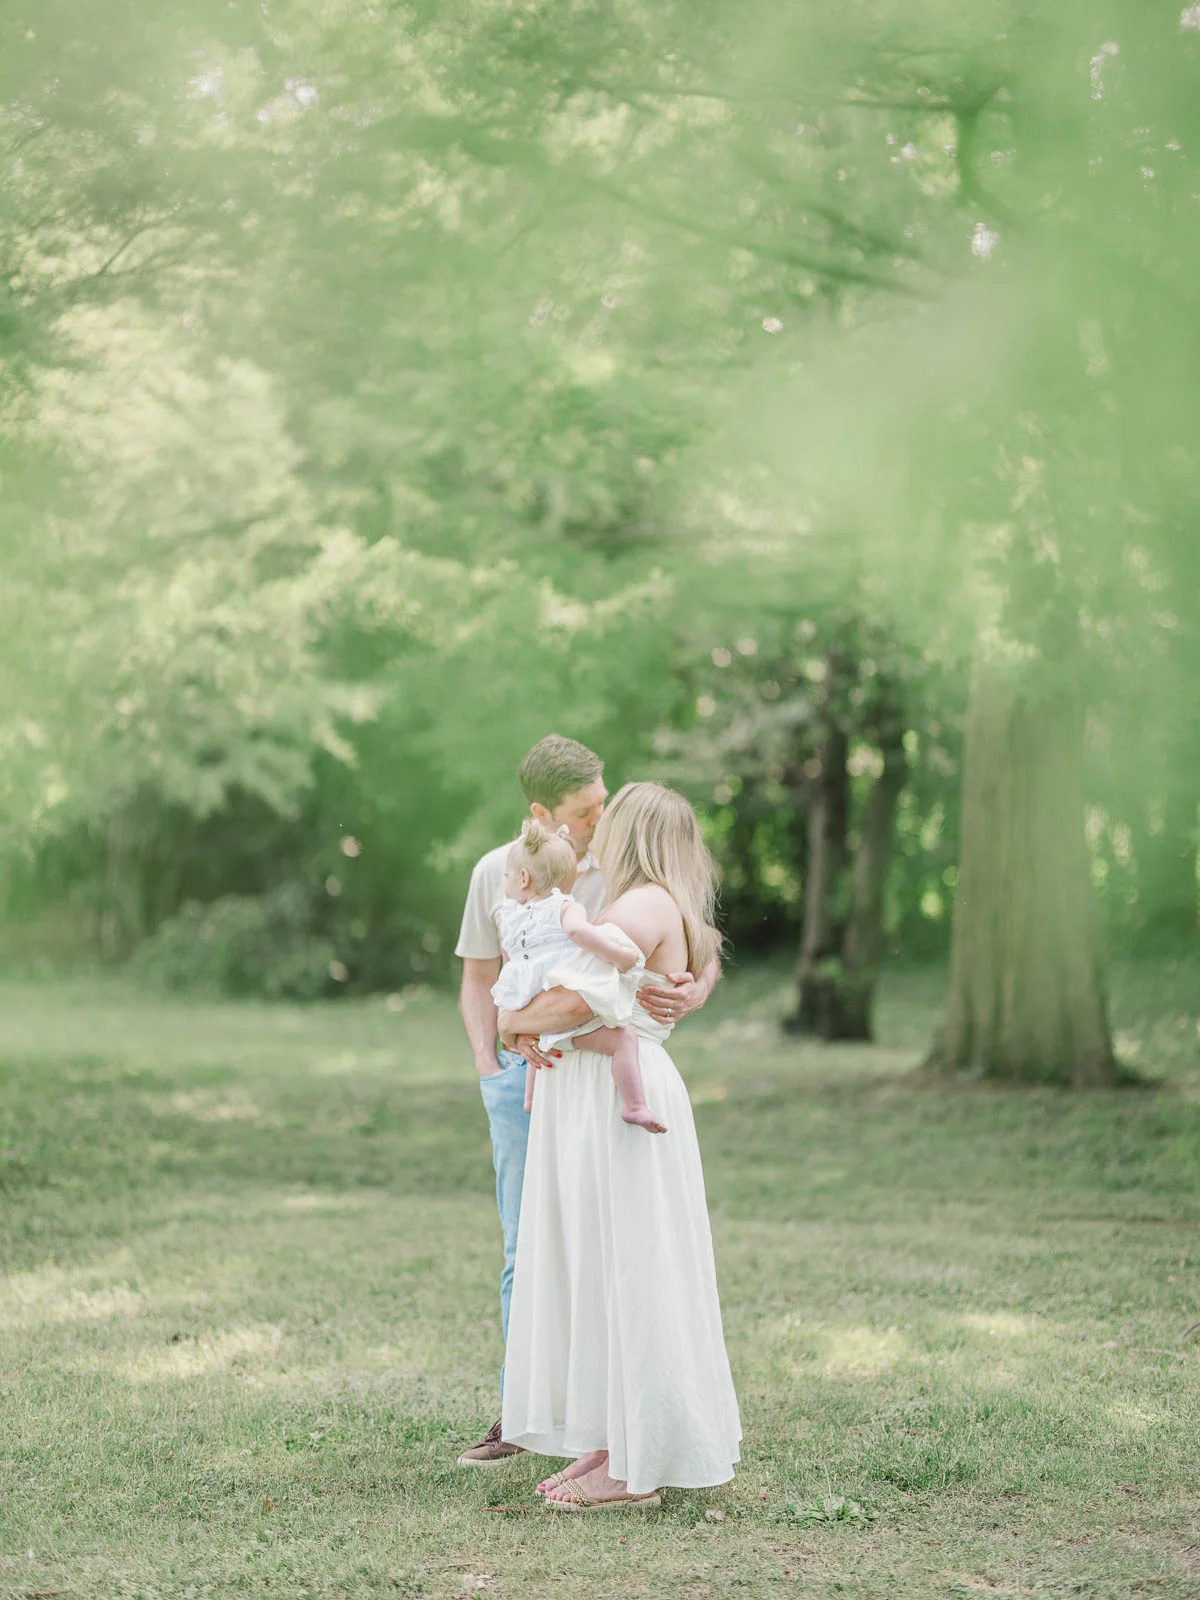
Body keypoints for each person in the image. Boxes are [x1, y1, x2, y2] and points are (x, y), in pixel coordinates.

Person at [454, 737, 719, 1467]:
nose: (598, 820)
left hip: (590, 1066)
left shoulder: (628, 866)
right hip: (525, 1070)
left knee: (603, 1243)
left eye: (605, 804)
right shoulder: (497, 875)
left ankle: (599, 1425)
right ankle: (525, 1408)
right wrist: (493, 1061)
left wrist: (698, 983)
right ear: (542, 813)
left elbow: (691, 935)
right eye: (583, 810)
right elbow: (481, 978)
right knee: (531, 1241)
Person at [497, 781, 742, 1509]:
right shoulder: (654, 898)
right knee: (603, 1265)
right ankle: (612, 1441)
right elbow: (704, 951)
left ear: (632, 829)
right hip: (594, 1089)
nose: (594, 825)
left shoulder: (638, 903)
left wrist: (514, 1024)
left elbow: (579, 1000)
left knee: (628, 1265)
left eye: (611, 815)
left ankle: (636, 1469)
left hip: (612, 1095)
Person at [493, 818, 666, 1134]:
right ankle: (635, 1105)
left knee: (538, 1046)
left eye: (506, 876)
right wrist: (621, 956)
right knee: (624, 1038)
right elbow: (577, 931)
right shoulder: (564, 907)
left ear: (522, 878)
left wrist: (516, 1008)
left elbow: (509, 960)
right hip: (565, 1006)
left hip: (529, 1009)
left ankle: (530, 1099)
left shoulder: (508, 915)